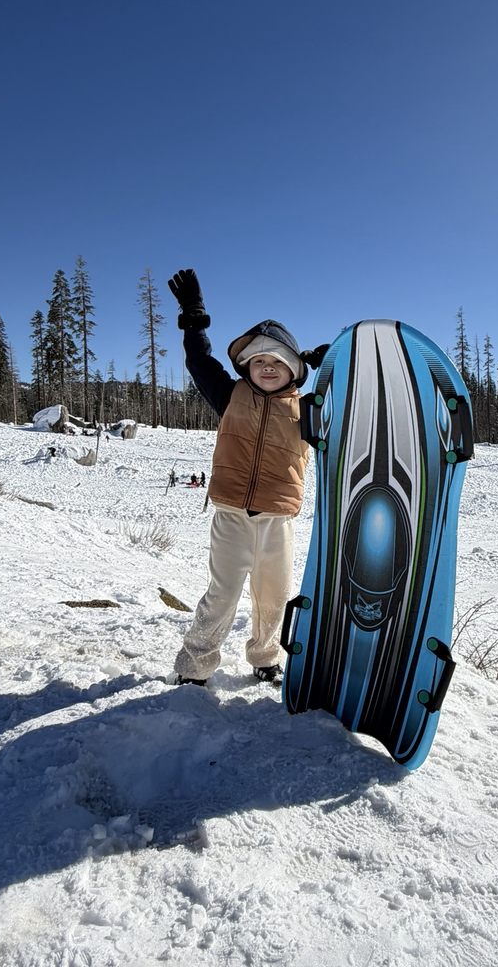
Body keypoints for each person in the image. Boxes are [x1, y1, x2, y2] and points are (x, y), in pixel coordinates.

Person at [168, 267, 327, 686]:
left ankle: (264, 657)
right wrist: (194, 315)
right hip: (232, 515)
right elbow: (199, 361)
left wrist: (334, 364)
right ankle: (195, 666)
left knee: (273, 597)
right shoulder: (230, 394)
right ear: (246, 367)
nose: (267, 368)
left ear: (293, 367)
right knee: (222, 595)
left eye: (277, 361)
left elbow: (350, 399)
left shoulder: (308, 408)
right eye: (259, 361)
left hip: (278, 519)